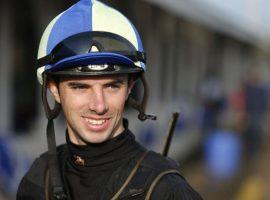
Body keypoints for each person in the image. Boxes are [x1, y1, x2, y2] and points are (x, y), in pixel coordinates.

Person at [17, 0, 202, 199]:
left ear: (130, 87)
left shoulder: (167, 190)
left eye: (112, 86)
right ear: (54, 89)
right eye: (80, 87)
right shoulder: (36, 180)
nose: (99, 105)